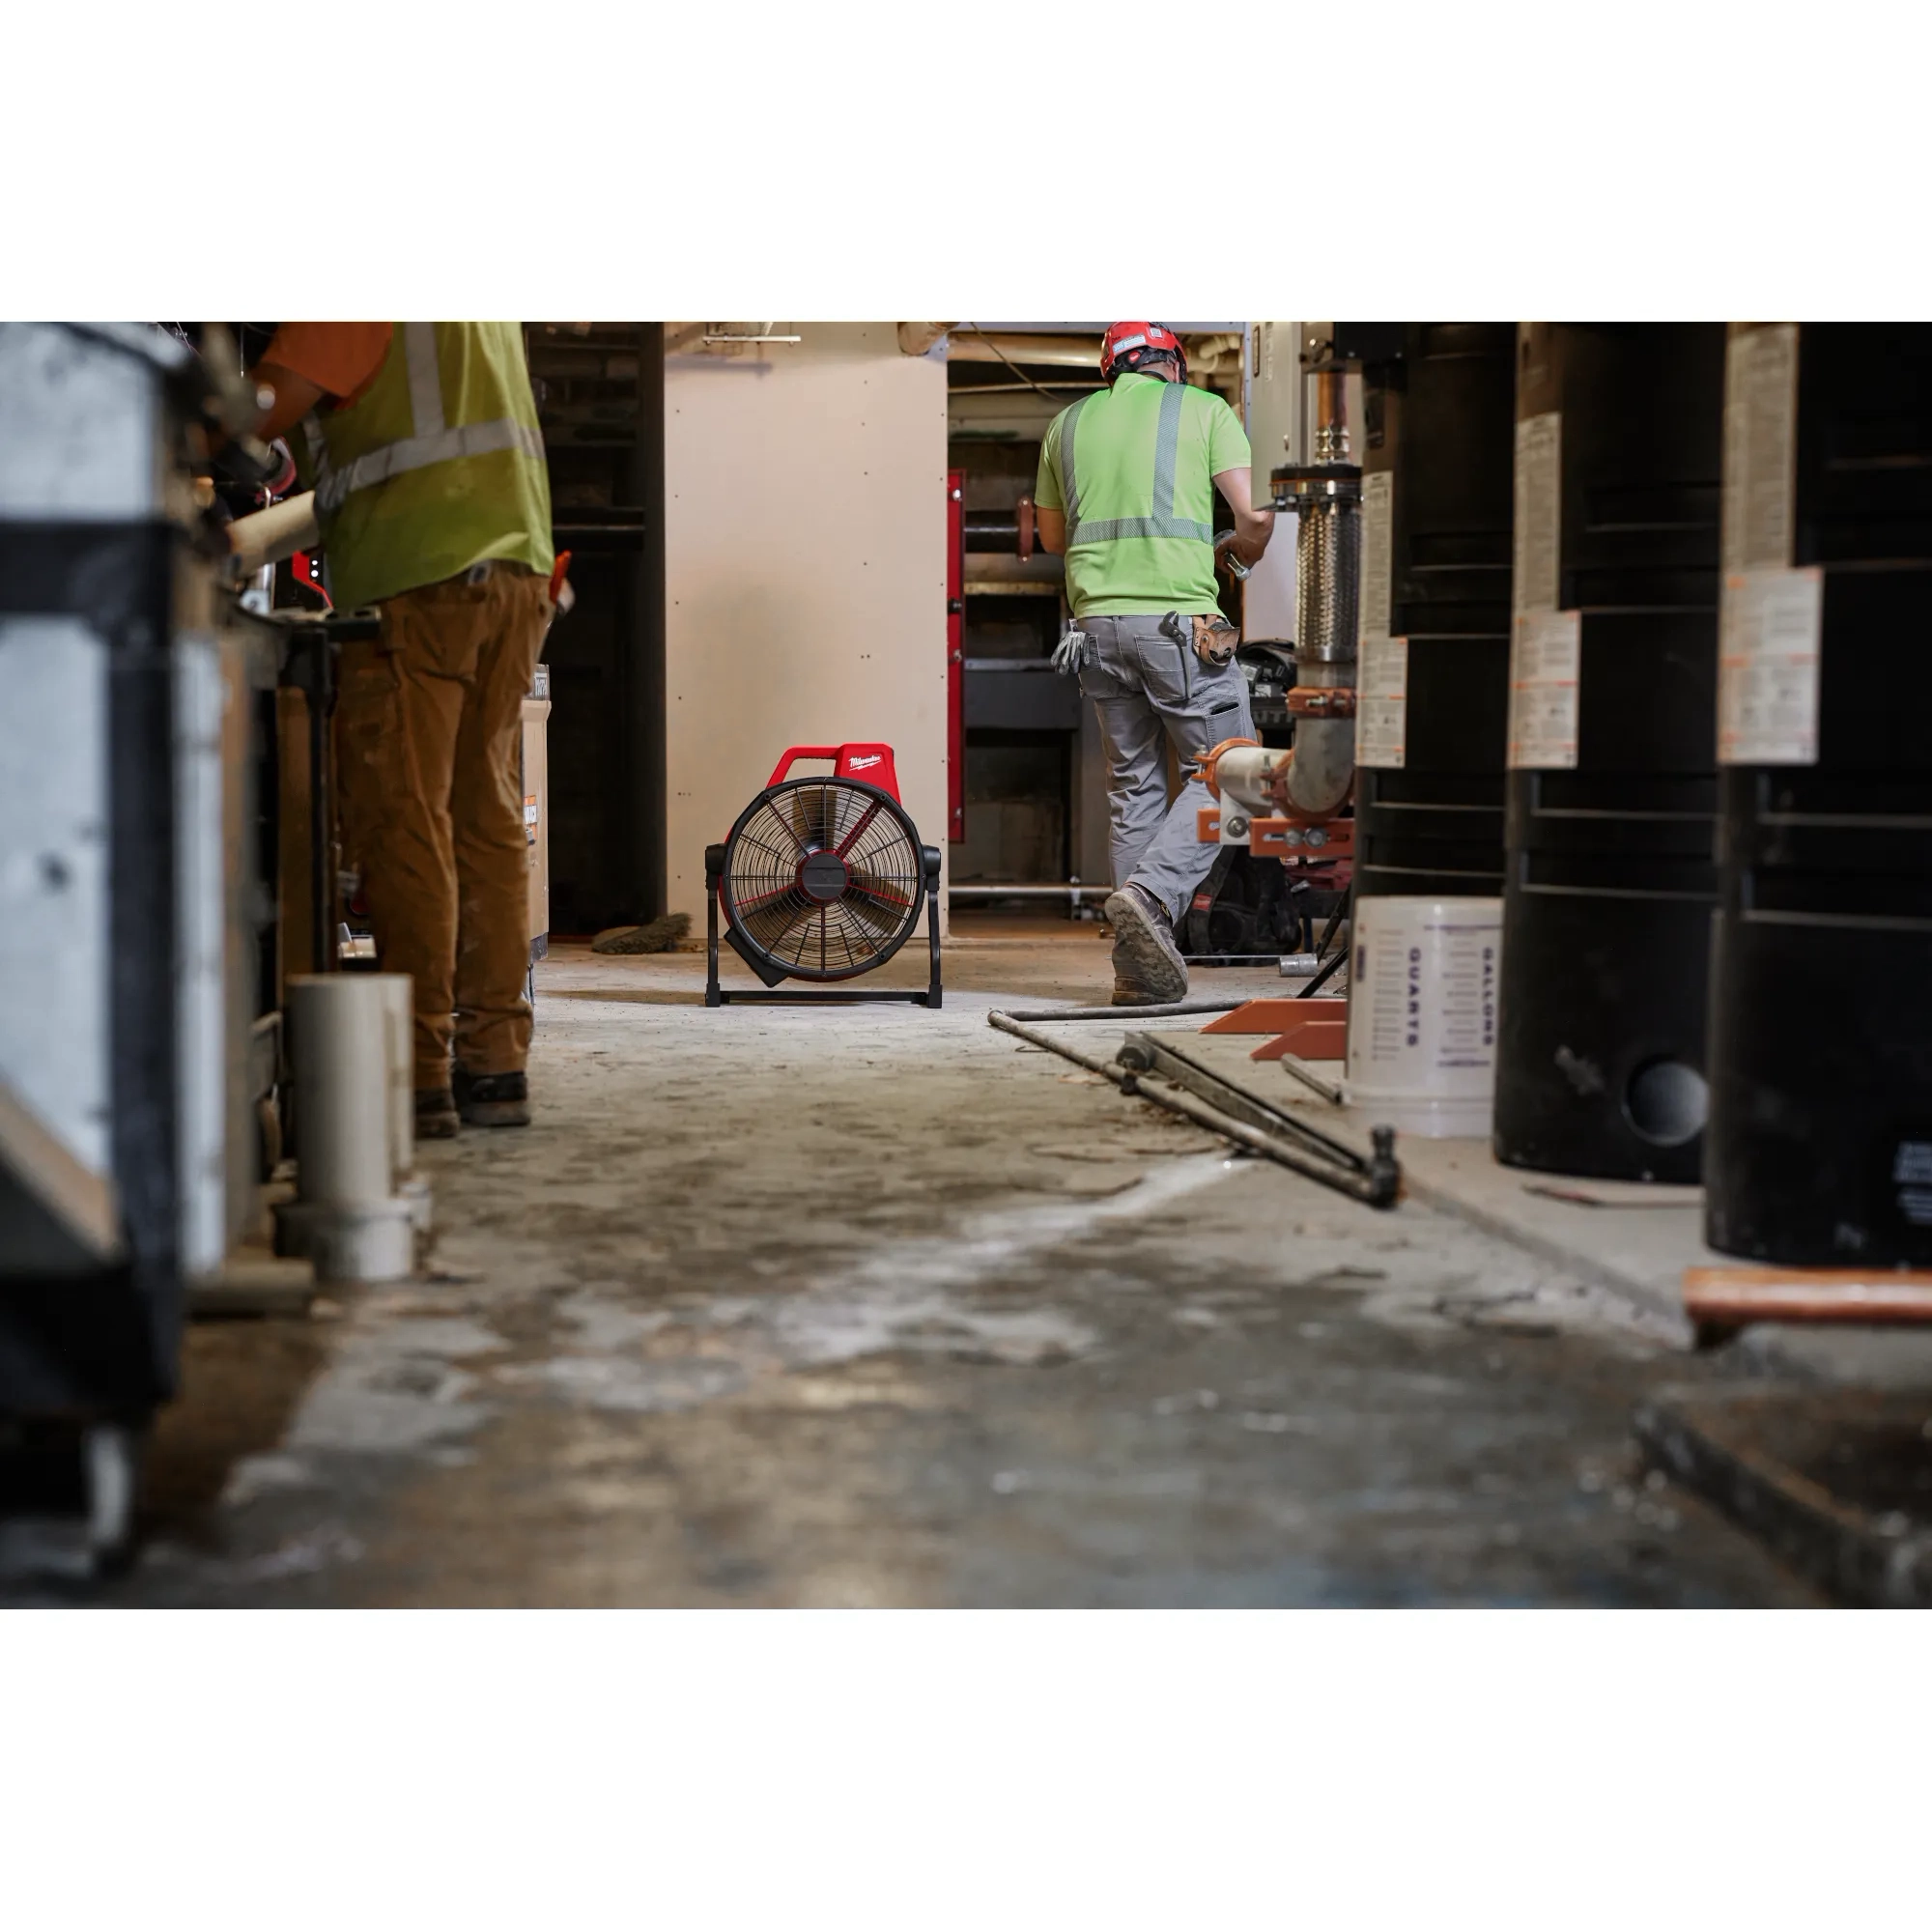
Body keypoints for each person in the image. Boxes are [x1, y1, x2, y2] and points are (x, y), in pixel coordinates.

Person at [246, 323, 554, 1134]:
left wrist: (195, 429)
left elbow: (257, 411)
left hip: (419, 578)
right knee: (483, 824)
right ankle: (494, 1065)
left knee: (406, 822)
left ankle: (417, 1074)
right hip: (516, 573)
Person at [1036, 321, 1276, 1006]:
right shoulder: (1204, 409)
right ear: (1171, 365)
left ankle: (1137, 972)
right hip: (1181, 626)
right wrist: (1236, 554)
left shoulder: (1069, 424)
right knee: (1240, 775)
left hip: (1095, 630)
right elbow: (1254, 517)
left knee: (1134, 786)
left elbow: (1054, 536)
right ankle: (1153, 896)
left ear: (1111, 368)